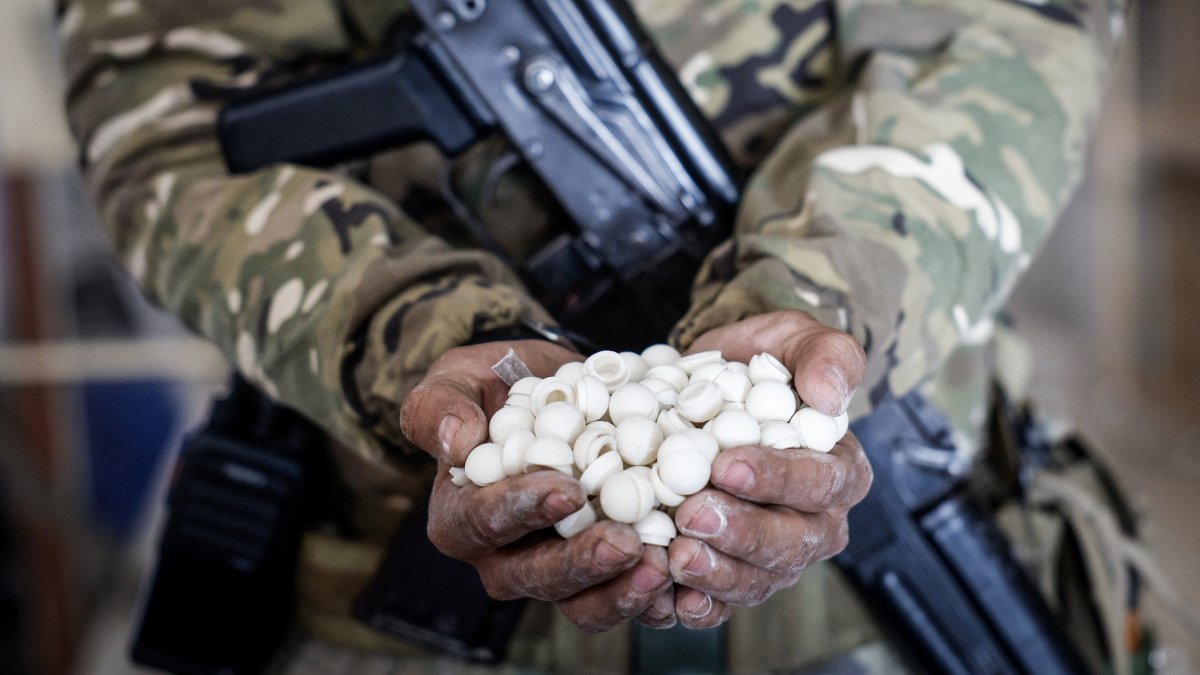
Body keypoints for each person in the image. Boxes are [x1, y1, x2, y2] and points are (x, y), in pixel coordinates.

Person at [59, 0, 1129, 671]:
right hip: (402, 600)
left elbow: (1007, 40)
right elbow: (175, 115)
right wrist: (420, 337)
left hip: (885, 576)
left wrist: (823, 298)